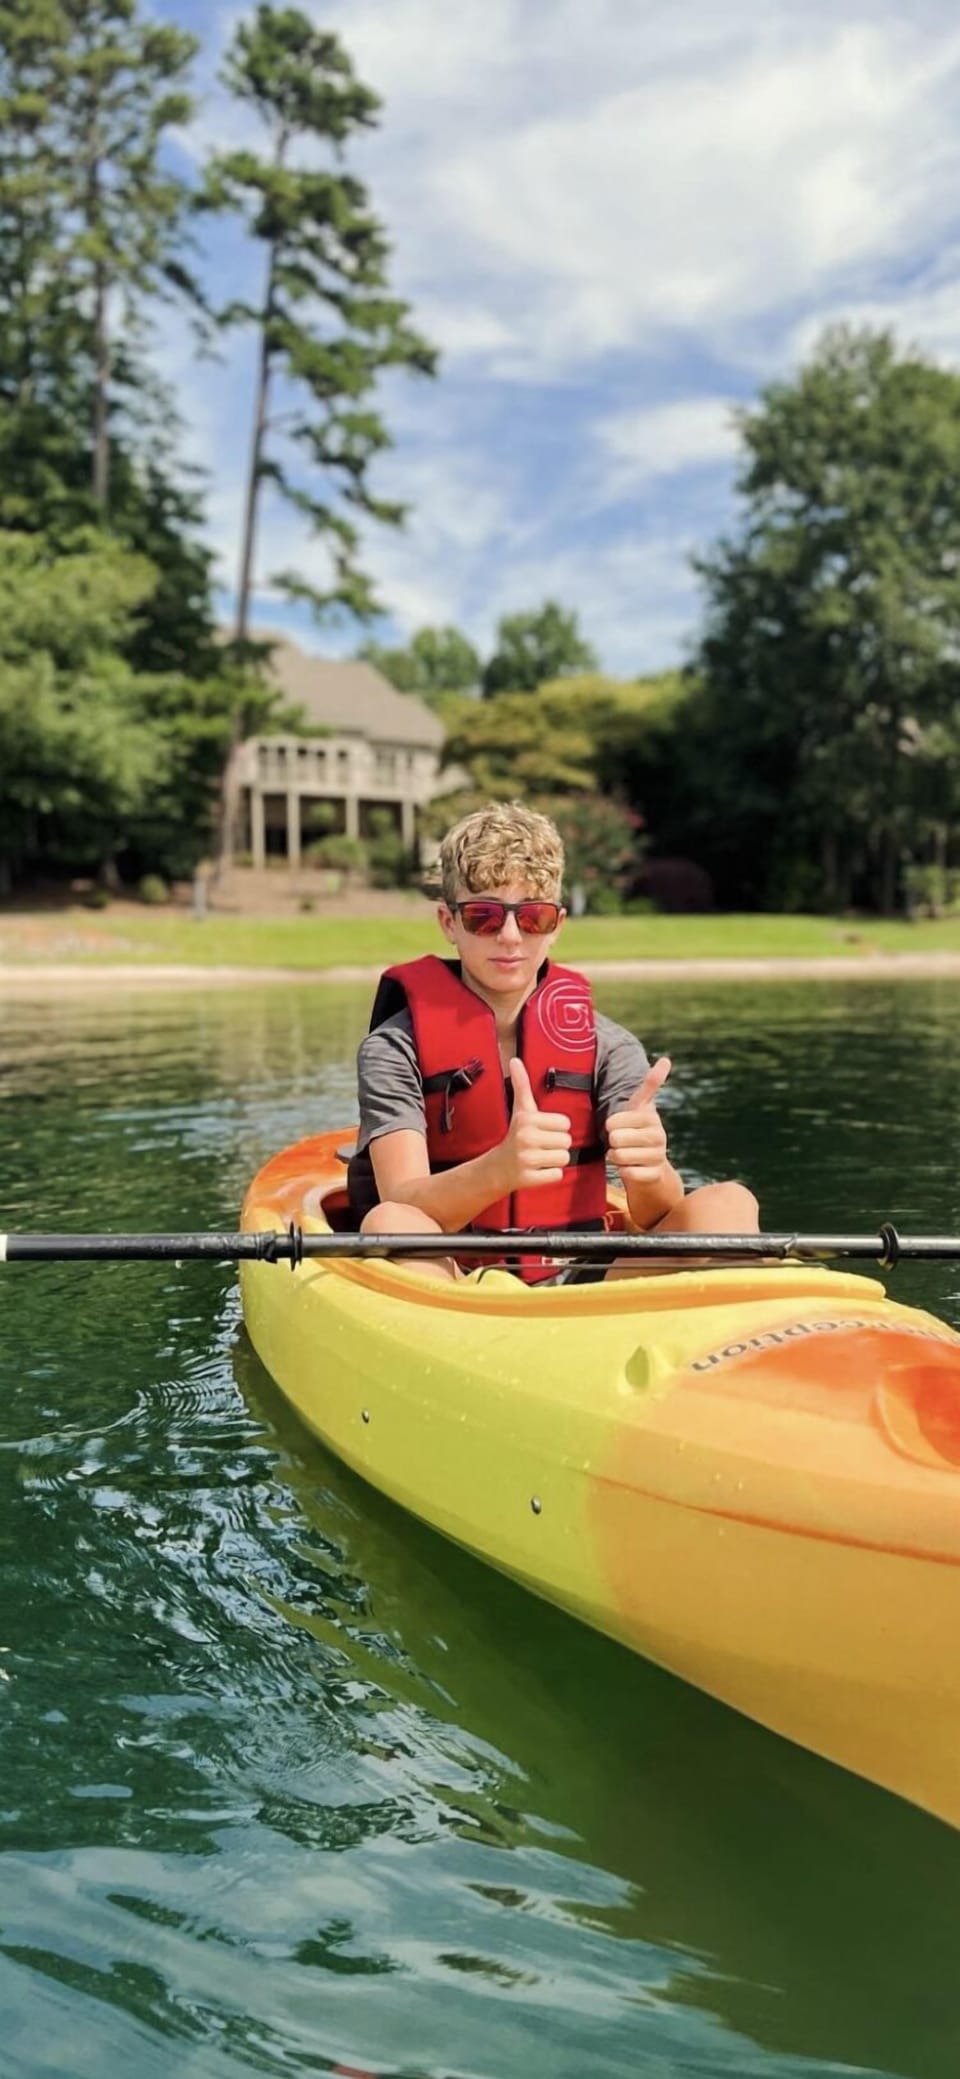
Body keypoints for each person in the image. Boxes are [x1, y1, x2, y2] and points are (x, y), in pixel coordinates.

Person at [348, 801, 758, 1280]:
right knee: (388, 1221)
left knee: (730, 1204)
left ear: (556, 925)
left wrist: (651, 1168)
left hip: (588, 1283)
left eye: (532, 918)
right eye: (483, 916)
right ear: (448, 923)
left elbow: (653, 1216)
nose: (508, 936)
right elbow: (402, 1200)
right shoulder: (393, 1048)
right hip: (455, 1283)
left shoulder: (612, 1047)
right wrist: (499, 1170)